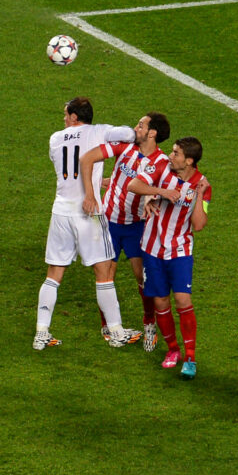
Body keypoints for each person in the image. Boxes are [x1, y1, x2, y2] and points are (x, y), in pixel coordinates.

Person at [32, 97, 140, 350]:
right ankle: (115, 331)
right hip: (89, 211)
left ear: (73, 116)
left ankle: (41, 333)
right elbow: (130, 134)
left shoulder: (55, 138)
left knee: (53, 274)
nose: (63, 118)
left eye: (65, 114)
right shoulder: (100, 131)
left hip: (60, 211)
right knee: (103, 272)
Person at [80, 112, 172, 351]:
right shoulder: (126, 147)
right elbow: (91, 156)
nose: (135, 128)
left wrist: (152, 196)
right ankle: (108, 326)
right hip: (108, 222)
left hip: (136, 226)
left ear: (152, 133)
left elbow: (158, 187)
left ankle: (149, 322)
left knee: (142, 278)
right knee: (105, 276)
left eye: (140, 125)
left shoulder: (162, 162)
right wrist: (103, 183)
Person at [126, 137, 211, 378]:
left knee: (183, 301)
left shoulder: (203, 185)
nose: (171, 156)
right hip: (152, 249)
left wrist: (198, 195)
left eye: (176, 153)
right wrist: (158, 192)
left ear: (189, 160)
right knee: (161, 302)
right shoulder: (162, 167)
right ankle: (173, 350)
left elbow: (199, 224)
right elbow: (134, 185)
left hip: (180, 251)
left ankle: (190, 357)